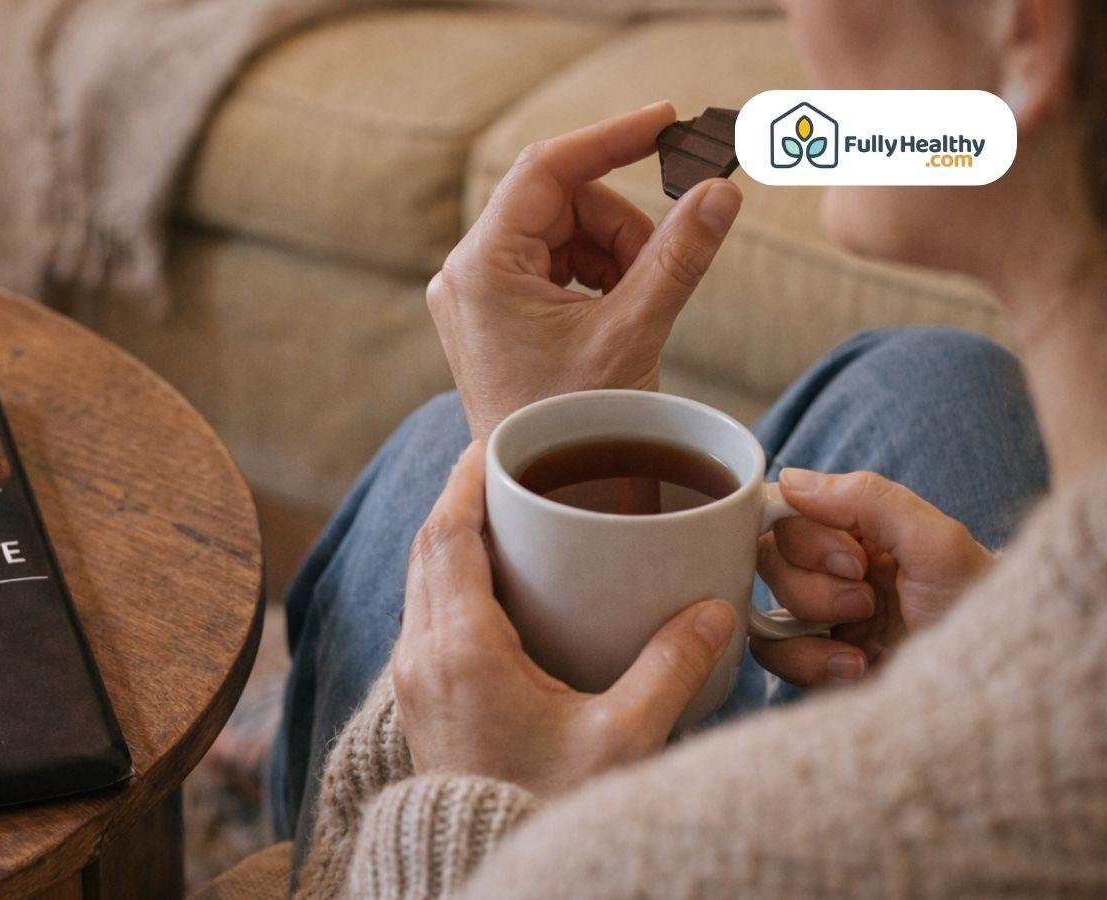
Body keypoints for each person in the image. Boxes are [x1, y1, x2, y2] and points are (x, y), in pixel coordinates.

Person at [272, 0, 1107, 895]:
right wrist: (987, 634)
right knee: (937, 377)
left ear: (1028, 34)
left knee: (440, 442)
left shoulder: (617, 869)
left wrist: (478, 814)